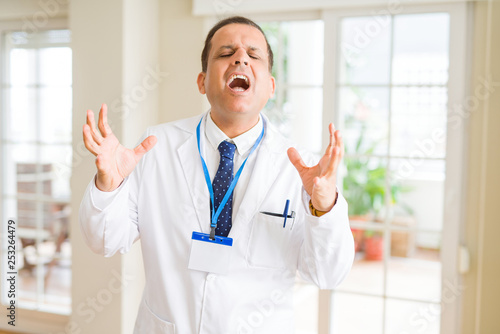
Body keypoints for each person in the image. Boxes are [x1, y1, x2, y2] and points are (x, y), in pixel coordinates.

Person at [80, 16, 354, 334]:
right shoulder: (156, 146)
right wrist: (108, 185)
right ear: (202, 81)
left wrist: (325, 207)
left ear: (271, 86)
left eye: (254, 54)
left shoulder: (302, 169)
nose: (240, 57)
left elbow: (326, 274)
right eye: (225, 53)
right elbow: (104, 240)